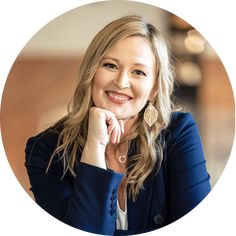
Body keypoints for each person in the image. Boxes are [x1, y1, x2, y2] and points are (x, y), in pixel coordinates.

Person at [25, 15, 211, 235]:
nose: (121, 82)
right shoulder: (46, 149)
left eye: (138, 72)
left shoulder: (178, 133)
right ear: (91, 72)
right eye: (110, 65)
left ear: (153, 89)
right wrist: (94, 146)